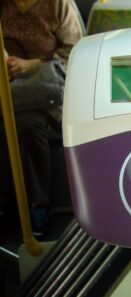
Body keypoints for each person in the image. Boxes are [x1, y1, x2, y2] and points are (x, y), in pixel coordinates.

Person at [0, 0, 83, 238]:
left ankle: (38, 205)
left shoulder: (58, 5)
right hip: (11, 90)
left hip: (52, 92)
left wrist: (31, 66)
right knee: (21, 118)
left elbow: (75, 54)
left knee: (28, 125)